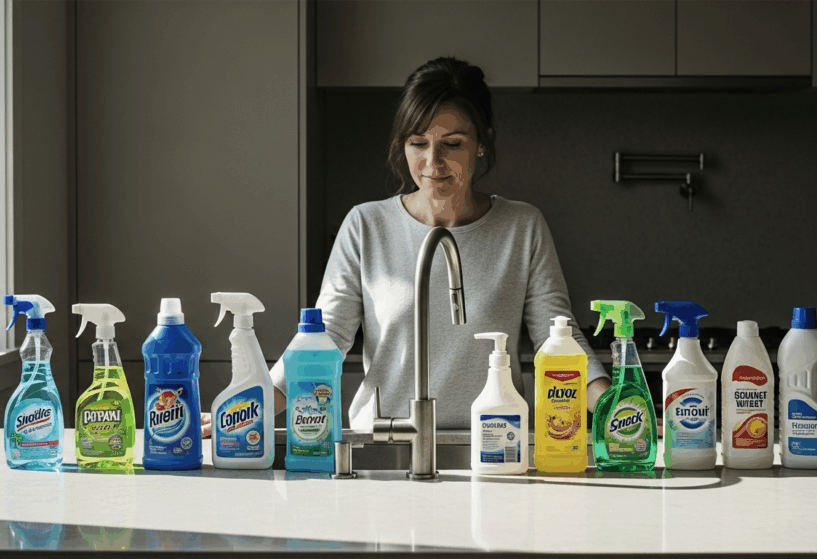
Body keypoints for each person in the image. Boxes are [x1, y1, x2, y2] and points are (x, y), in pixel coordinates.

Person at [202, 56, 609, 436]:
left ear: (482, 142)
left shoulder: (522, 227)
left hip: (495, 444)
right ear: (403, 144)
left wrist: (613, 408)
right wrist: (245, 411)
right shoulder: (366, 225)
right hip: (386, 440)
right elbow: (324, 339)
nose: (433, 162)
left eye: (452, 144)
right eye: (418, 143)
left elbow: (559, 339)